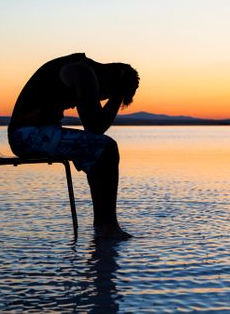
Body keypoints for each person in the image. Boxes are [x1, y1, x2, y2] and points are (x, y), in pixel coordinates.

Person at [8, 53, 139, 239]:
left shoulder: (81, 69)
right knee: (107, 149)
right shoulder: (82, 72)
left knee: (101, 149)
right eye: (107, 95)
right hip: (27, 135)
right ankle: (106, 227)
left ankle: (103, 226)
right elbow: (95, 126)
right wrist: (118, 94)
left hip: (29, 133)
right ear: (112, 81)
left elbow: (94, 129)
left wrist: (116, 93)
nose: (101, 98)